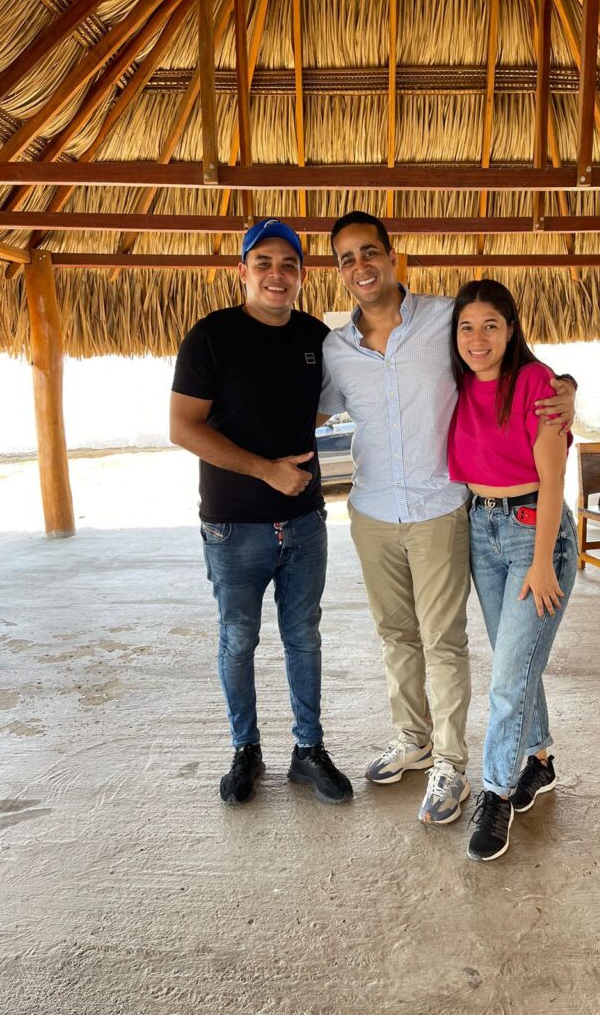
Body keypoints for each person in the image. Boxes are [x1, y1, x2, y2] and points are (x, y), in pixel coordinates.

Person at [319, 212, 576, 826]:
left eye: (370, 252)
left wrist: (566, 386)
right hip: (373, 508)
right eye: (347, 258)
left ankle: (457, 768)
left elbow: (517, 364)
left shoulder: (443, 319)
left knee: (448, 642)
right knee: (397, 635)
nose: (361, 266)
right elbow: (308, 410)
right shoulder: (335, 348)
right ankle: (415, 739)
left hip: (442, 509)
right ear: (339, 270)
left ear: (392, 257)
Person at [170, 219, 352, 806]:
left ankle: (308, 750)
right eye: (264, 263)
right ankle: (245, 749)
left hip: (304, 521)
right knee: (238, 638)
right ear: (243, 271)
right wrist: (267, 469)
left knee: (303, 637)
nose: (277, 274)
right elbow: (183, 428)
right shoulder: (211, 336)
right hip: (233, 526)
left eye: (289, 264)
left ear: (302, 274)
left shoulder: (316, 337)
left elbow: (324, 406)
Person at [447, 279, 578, 861]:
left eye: (490, 326)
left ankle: (497, 791)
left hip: (534, 531)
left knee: (506, 679)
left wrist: (544, 562)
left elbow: (553, 479)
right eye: (466, 327)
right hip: (482, 527)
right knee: (515, 661)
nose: (477, 339)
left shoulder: (535, 384)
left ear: (511, 329)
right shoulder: (455, 383)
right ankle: (540, 759)